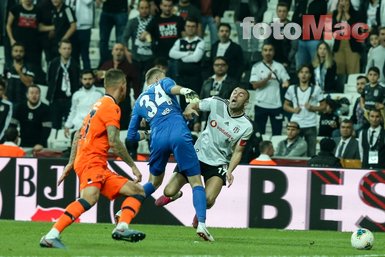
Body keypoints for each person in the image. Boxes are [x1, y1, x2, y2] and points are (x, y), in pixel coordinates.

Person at [39, 69, 146, 249]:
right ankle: (51, 236)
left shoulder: (97, 105)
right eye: (126, 86)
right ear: (122, 86)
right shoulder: (111, 107)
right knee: (89, 198)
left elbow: (76, 136)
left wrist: (71, 163)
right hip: (92, 161)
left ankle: (121, 227)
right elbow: (114, 141)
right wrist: (133, 166)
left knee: (137, 191)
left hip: (93, 162)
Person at [125, 67, 214, 241]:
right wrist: (185, 90)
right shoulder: (163, 81)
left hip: (157, 138)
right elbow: (171, 88)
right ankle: (202, 224)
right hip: (178, 132)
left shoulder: (139, 101)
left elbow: (130, 137)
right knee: (196, 181)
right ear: (157, 78)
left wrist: (147, 134)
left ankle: (126, 209)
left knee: (154, 182)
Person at [154, 87, 253, 228]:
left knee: (208, 200)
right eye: (234, 92)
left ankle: (199, 212)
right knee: (168, 191)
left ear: (246, 102)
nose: (236, 95)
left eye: (241, 94)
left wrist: (230, 171)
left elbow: (238, 152)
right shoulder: (216, 103)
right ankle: (175, 195)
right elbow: (195, 104)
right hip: (196, 155)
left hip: (219, 162)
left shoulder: (246, 126)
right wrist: (189, 108)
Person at [283, 64, 326, 157]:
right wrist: (293, 110)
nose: (304, 75)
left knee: (311, 153)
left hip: (310, 124)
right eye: (301, 72)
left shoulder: (316, 89)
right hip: (295, 124)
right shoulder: (292, 88)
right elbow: (285, 106)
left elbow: (324, 106)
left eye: (306, 72)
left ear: (310, 75)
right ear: (298, 74)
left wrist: (313, 108)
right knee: (294, 152)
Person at [250, 42, 290, 136]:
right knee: (259, 134)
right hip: (260, 104)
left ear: (274, 52)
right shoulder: (256, 67)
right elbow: (254, 85)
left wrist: (285, 83)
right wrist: (267, 79)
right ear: (262, 52)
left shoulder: (279, 66)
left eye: (270, 50)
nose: (268, 53)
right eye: (265, 50)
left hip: (276, 105)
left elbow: (286, 81)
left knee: (277, 133)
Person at [10, 85, 51, 152]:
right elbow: (12, 126)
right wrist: (12, 142)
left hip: (40, 146)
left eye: (36, 93)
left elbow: (46, 129)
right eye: (31, 93)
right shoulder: (19, 107)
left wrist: (41, 143)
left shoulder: (45, 109)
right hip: (23, 144)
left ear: (40, 95)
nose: (34, 95)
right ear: (27, 95)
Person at [64, 70, 103, 140]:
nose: (87, 82)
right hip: (78, 128)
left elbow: (102, 113)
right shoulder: (76, 94)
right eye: (85, 79)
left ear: (93, 79)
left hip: (94, 129)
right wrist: (67, 125)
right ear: (81, 80)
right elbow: (73, 111)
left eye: (90, 79)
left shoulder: (99, 94)